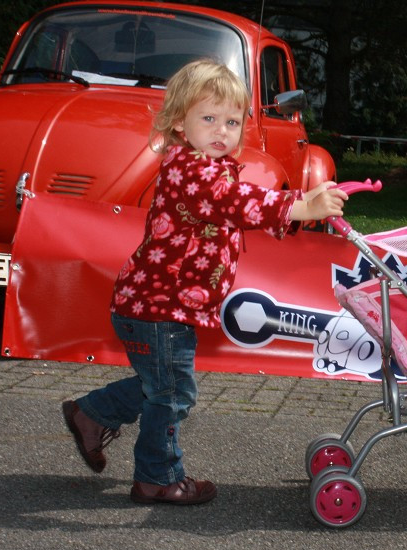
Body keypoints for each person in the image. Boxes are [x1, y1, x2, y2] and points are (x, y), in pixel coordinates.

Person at [62, 59, 348, 505]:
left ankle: (91, 414)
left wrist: (302, 200)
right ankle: (157, 477)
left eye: (232, 122)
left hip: (159, 306)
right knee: (173, 392)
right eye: (209, 118)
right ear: (179, 123)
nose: (222, 130)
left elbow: (235, 206)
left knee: (158, 384)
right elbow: (231, 201)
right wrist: (296, 210)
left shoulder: (208, 168)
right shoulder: (191, 170)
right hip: (159, 307)